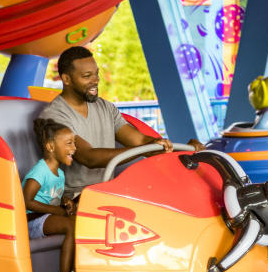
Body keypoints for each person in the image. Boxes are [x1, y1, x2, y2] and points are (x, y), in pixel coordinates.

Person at [39, 46, 204, 199]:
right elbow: (88, 157)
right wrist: (141, 150)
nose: (95, 80)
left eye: (96, 74)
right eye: (87, 76)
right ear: (66, 79)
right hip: (74, 197)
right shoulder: (54, 116)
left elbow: (140, 140)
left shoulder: (105, 107)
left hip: (108, 192)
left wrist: (176, 148)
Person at [22, 118, 79, 272]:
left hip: (45, 218)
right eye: (69, 143)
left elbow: (53, 195)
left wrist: (65, 200)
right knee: (71, 225)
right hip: (31, 221)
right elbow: (27, 200)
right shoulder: (40, 170)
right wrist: (57, 211)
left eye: (74, 143)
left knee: (81, 221)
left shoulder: (59, 173)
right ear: (50, 147)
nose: (74, 148)